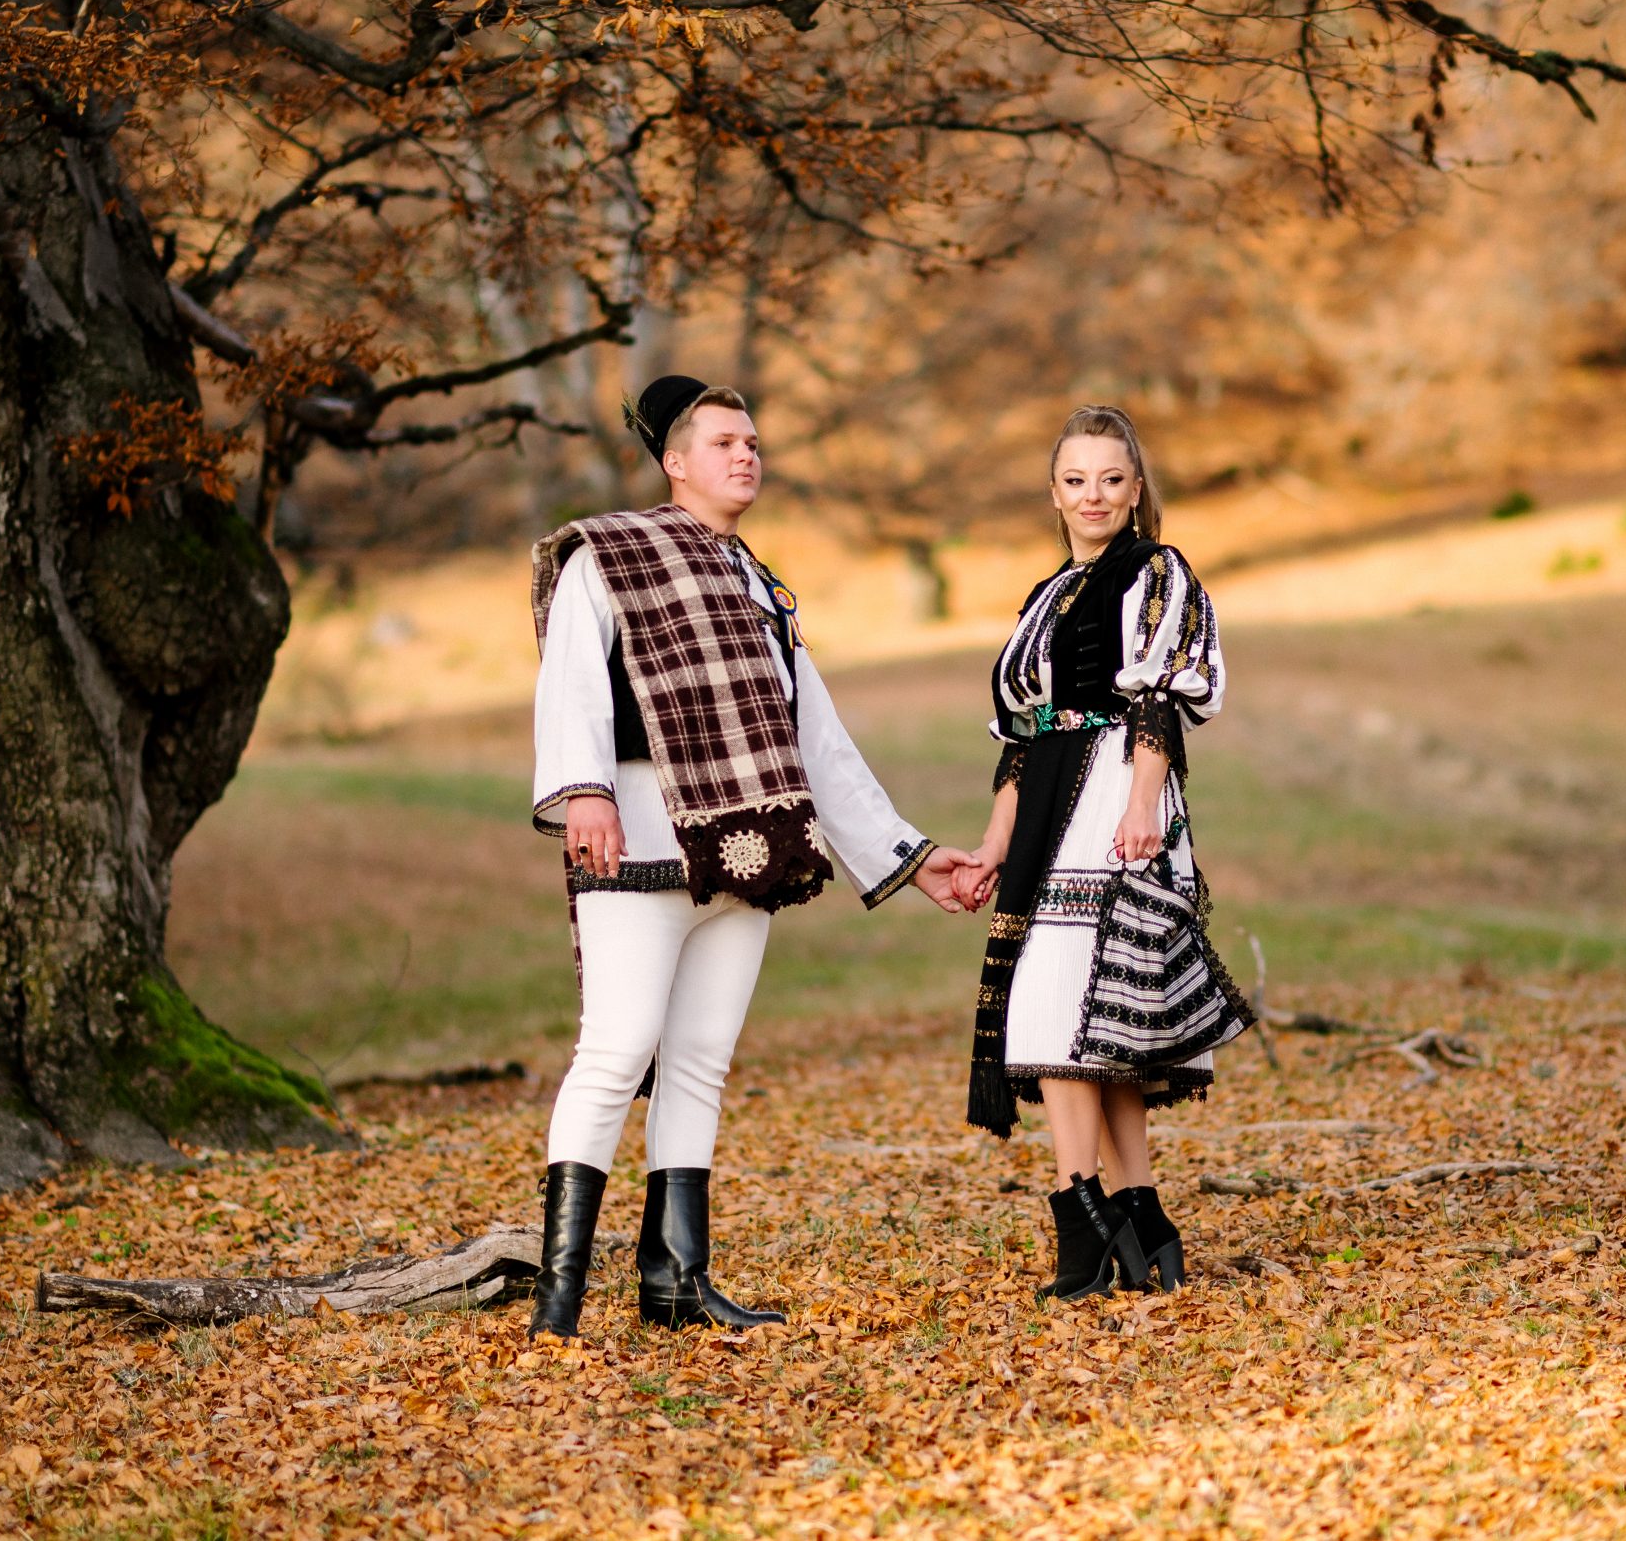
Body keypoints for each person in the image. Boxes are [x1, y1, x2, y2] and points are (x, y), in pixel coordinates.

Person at [524, 375, 980, 1339]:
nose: (746, 455)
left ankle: (675, 1280)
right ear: (674, 461)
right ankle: (557, 1303)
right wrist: (584, 790)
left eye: (754, 443)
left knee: (699, 1062)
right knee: (615, 1051)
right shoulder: (608, 554)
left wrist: (911, 856)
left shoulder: (760, 585)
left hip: (751, 851)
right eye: (725, 442)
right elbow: (571, 678)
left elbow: (816, 740)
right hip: (640, 840)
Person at [957, 404, 1256, 1300]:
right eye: (1076, 479)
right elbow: (1023, 733)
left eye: (1111, 479)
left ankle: (1079, 1215)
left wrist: (1142, 805)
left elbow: (1159, 697)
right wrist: (993, 843)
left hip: (1115, 794)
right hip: (1048, 804)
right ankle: (1141, 1214)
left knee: (1058, 1007)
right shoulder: (1046, 595)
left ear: (1136, 490)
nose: (1093, 495)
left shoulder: (1157, 573)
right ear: (1054, 492)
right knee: (1098, 1026)